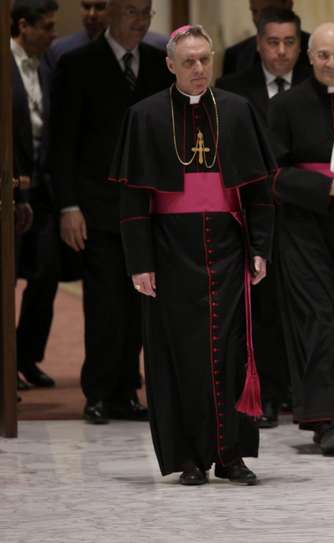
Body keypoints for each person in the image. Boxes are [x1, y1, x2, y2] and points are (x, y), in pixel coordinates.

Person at [110, 24, 275, 486]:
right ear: (170, 65)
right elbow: (133, 200)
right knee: (176, 355)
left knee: (232, 353)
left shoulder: (239, 112)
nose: (199, 69)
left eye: (205, 59)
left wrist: (260, 247)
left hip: (227, 250)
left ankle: (232, 455)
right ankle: (187, 457)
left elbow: (259, 191)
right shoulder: (144, 116)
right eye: (189, 62)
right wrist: (139, 262)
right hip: (168, 252)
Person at [48, 0, 173, 424]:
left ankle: (125, 391)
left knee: (141, 303)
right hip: (97, 207)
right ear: (110, 15)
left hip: (149, 207)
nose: (140, 22)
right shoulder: (77, 64)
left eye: (146, 14)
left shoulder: (160, 64)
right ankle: (98, 391)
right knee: (104, 306)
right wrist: (68, 205)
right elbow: (61, 143)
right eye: (132, 13)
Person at [268, 22, 334, 454]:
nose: (330, 63)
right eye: (322, 55)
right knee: (318, 317)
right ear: (310, 57)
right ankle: (325, 420)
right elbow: (270, 174)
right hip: (303, 229)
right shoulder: (285, 106)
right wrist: (324, 188)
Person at [217, 6, 310, 428]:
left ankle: (299, 391)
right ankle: (266, 393)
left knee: (303, 305)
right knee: (262, 305)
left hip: (304, 211)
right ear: (258, 45)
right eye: (273, 42)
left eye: (290, 42)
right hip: (254, 210)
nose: (281, 51)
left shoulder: (313, 84)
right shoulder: (233, 89)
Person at [10, 0, 59, 391]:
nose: (52, 35)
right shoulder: (3, 63)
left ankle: (26, 357)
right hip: (8, 190)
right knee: (6, 278)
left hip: (43, 190)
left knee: (45, 275)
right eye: (46, 27)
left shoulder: (47, 65)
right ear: (23, 26)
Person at [45, 0, 166, 69]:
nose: (92, 14)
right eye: (86, 7)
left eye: (99, 7)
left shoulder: (158, 47)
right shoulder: (60, 50)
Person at [222, 0, 310, 77]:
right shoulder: (235, 55)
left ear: (288, 5)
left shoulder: (315, 49)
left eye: (267, 12)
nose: (259, 19)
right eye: (254, 12)